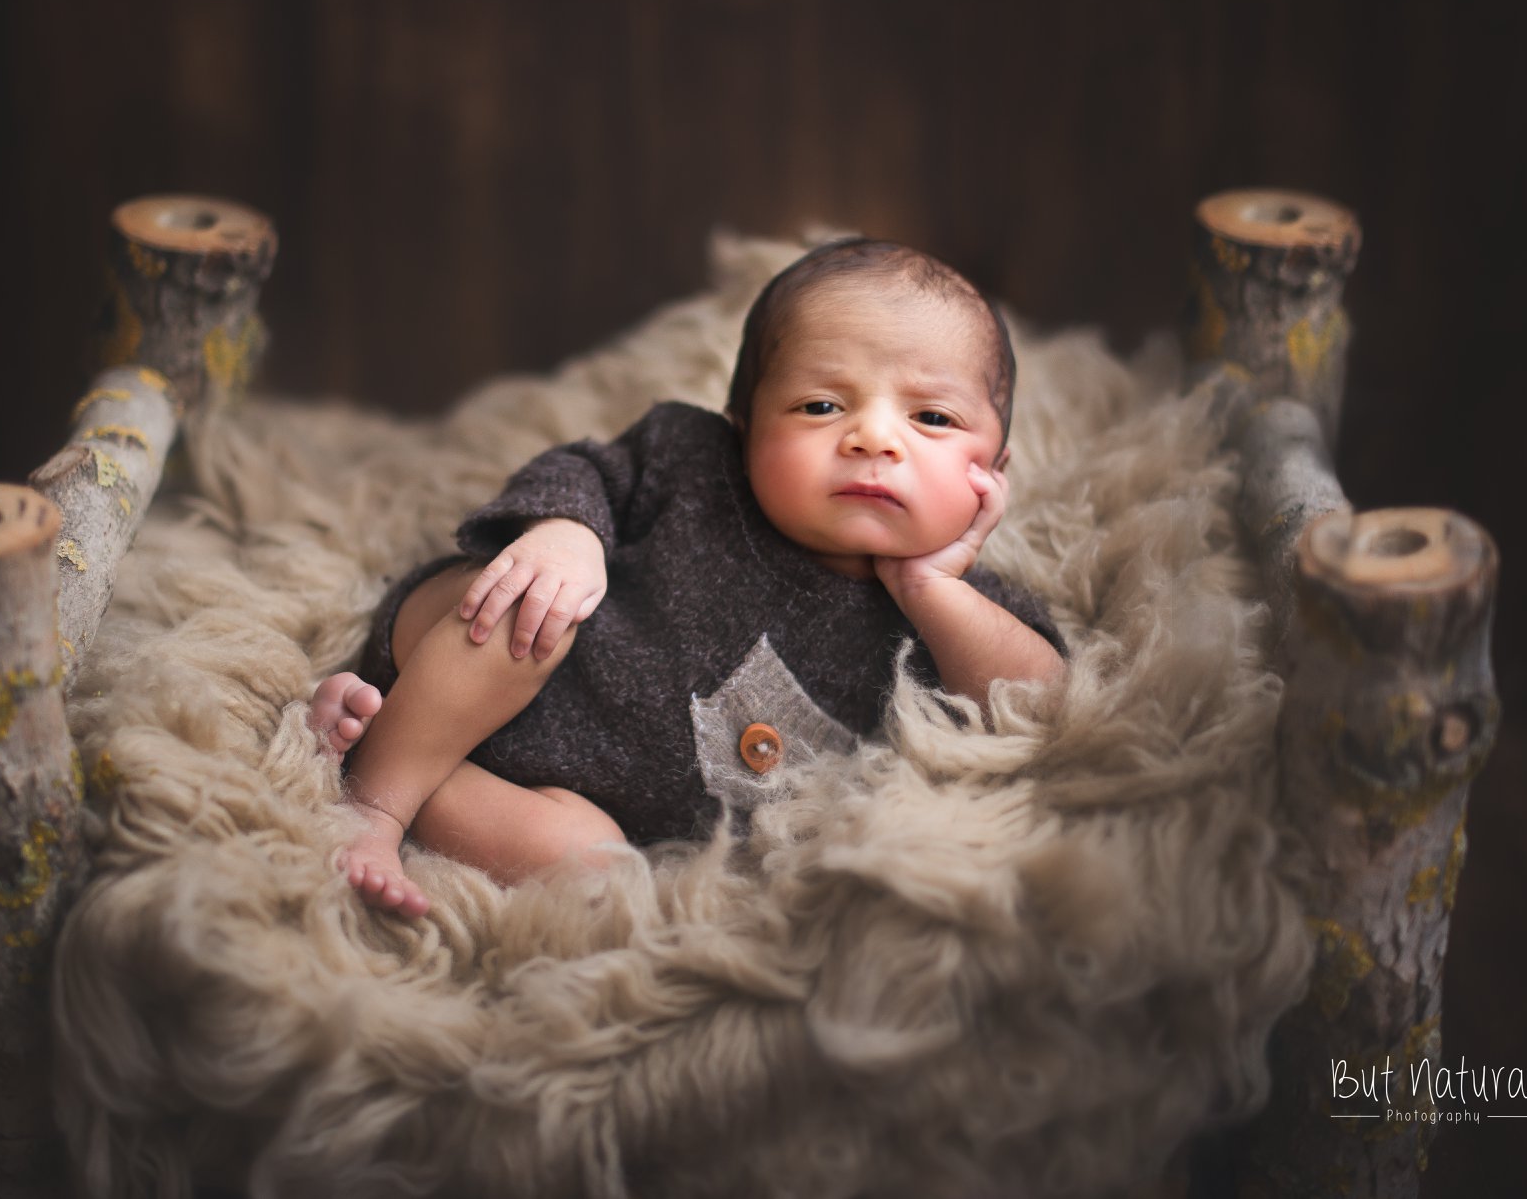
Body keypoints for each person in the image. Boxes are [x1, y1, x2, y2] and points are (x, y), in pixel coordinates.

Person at [308, 239, 1068, 917]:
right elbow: (584, 467)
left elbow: (1038, 701)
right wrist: (567, 532)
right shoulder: (691, 458)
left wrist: (931, 590)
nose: (873, 437)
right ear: (744, 425)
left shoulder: (959, 615)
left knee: (594, 870)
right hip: (465, 642)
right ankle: (374, 806)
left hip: (539, 793)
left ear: (993, 474)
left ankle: (375, 744)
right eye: (821, 405)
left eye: (932, 419)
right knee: (544, 608)